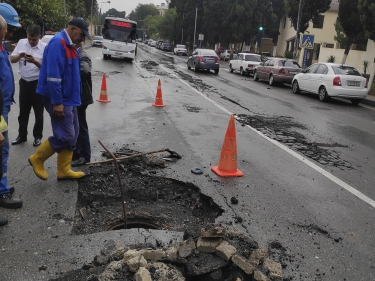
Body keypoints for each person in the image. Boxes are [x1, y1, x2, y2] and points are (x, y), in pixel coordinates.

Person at [29, 18, 91, 181]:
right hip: (58, 98)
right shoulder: (58, 43)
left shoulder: (71, 46)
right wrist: (57, 102)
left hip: (70, 99)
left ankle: (63, 170)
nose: (82, 39)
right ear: (73, 29)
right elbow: (54, 77)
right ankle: (38, 158)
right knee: (65, 136)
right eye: (81, 35)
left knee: (74, 133)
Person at [0, 7, 23, 209]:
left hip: (3, 106)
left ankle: (2, 184)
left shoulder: (1, 45)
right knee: (2, 148)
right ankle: (1, 191)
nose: (12, 33)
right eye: (9, 29)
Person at [11, 25, 46, 147]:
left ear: (39, 37)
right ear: (27, 36)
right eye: (29, 39)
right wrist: (20, 55)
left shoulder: (44, 48)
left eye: (34, 39)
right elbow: (12, 59)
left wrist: (35, 61)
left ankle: (37, 136)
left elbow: (47, 68)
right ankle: (22, 135)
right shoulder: (21, 43)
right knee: (23, 112)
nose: (31, 42)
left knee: (38, 112)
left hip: (37, 83)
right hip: (24, 82)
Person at [72, 39, 93, 167]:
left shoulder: (83, 55)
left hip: (81, 97)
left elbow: (83, 71)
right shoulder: (75, 53)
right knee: (76, 126)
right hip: (76, 96)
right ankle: (78, 152)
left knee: (80, 126)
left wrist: (69, 74)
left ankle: (85, 155)